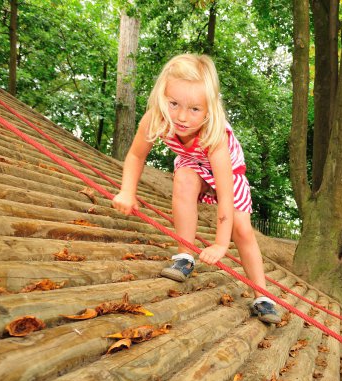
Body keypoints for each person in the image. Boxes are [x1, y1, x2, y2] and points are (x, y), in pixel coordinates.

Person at [112, 53, 281, 324]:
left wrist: (221, 243)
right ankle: (184, 256)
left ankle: (261, 295)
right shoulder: (156, 118)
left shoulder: (214, 135)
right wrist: (127, 191)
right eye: (174, 103)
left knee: (242, 229)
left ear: (208, 109)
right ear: (162, 97)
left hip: (229, 175)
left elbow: (225, 195)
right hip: (193, 164)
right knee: (184, 179)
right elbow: (135, 156)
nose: (181, 116)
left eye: (194, 109)